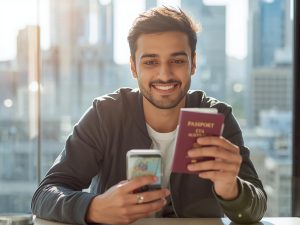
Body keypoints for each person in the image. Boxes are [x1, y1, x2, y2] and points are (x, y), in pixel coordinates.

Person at [31, 6, 267, 225]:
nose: (164, 75)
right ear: (133, 67)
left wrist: (231, 188)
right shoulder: (105, 115)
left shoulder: (218, 117)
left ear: (193, 64)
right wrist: (94, 207)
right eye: (151, 62)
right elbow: (45, 194)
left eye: (177, 60)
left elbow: (256, 209)